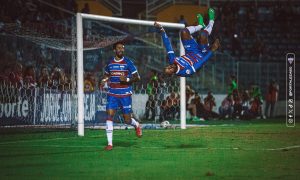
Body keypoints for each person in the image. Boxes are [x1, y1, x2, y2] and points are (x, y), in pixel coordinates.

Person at [100, 42, 142, 151]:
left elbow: (137, 77)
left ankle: (136, 125)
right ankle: (110, 144)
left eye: (122, 48)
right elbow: (107, 74)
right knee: (109, 115)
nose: (121, 50)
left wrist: (127, 79)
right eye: (119, 48)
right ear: (114, 50)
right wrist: (104, 80)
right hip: (112, 93)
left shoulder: (128, 62)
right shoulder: (110, 63)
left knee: (127, 120)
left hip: (125, 94)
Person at [154, 8, 220, 77]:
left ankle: (200, 25)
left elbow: (167, 46)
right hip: (201, 55)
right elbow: (201, 62)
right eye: (169, 70)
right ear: (172, 73)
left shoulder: (172, 60)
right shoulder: (185, 72)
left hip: (191, 50)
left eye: (167, 67)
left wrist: (161, 30)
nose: (170, 67)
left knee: (183, 32)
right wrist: (212, 50)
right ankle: (211, 21)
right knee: (202, 35)